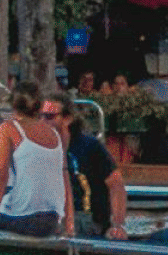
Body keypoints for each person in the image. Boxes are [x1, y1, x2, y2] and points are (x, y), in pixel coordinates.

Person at [0, 85, 71, 237]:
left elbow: (1, 174)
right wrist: (68, 221)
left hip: (22, 217)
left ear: (13, 105)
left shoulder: (7, 129)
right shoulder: (54, 133)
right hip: (50, 219)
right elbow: (63, 176)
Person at [48, 96, 128, 240]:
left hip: (86, 218)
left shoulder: (88, 146)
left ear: (67, 119)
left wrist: (116, 225)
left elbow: (116, 184)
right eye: (39, 116)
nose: (42, 121)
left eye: (49, 117)